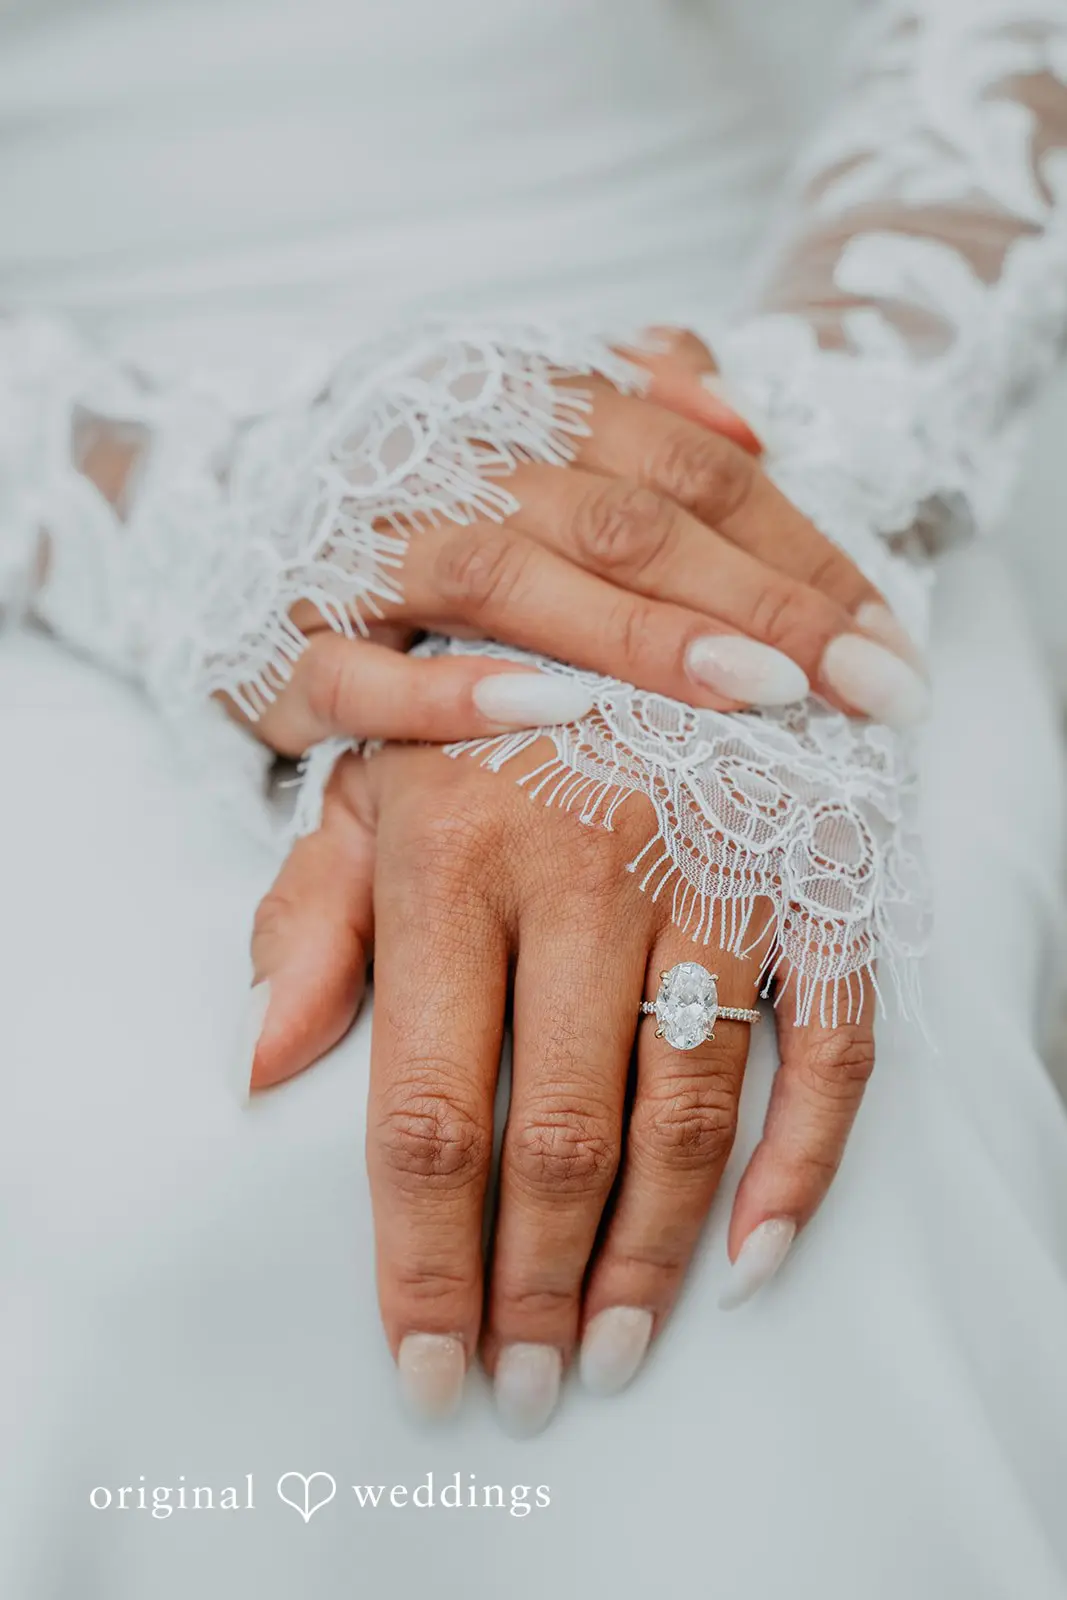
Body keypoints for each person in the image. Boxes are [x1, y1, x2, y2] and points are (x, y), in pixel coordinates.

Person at [2, 0, 1066, 1595]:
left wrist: (756, 534)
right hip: (65, 463)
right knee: (139, 1183)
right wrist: (216, 498)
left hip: (745, 365)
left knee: (824, 1073)